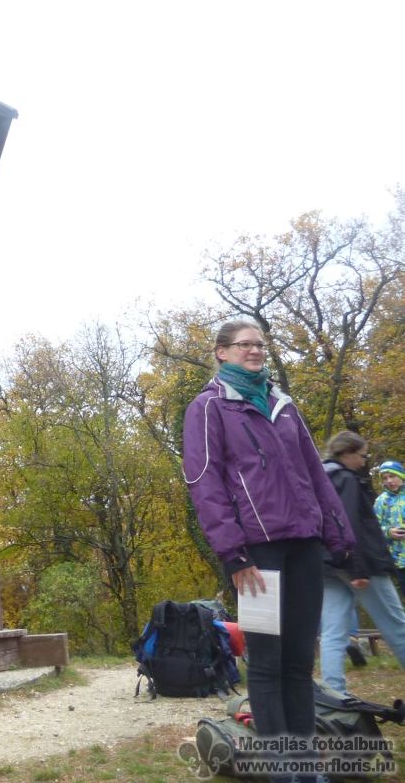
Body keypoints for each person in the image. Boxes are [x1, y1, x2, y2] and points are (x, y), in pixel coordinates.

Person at [183, 319, 353, 780]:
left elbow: (315, 474)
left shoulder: (283, 405)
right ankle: (281, 771)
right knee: (265, 663)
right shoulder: (208, 407)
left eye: (260, 344)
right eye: (244, 345)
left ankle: (307, 769)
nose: (255, 351)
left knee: (298, 663)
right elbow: (204, 484)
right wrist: (234, 555)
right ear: (221, 352)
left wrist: (339, 536)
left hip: (304, 546)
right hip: (257, 554)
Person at [319, 431, 405, 695]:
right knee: (396, 625)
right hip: (359, 564)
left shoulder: (318, 478)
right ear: (346, 453)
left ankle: (334, 695)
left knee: (333, 632)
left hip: (327, 565)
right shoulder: (346, 479)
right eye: (361, 455)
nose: (363, 461)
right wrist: (358, 568)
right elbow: (350, 525)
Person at [375, 460, 405, 597]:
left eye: (392, 476)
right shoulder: (381, 501)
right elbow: (374, 529)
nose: (389, 481)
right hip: (398, 559)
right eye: (385, 478)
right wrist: (388, 532)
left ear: (401, 476)